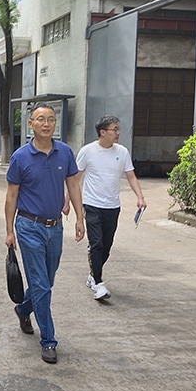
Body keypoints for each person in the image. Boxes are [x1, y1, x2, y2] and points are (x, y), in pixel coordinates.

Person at [5, 103, 85, 364]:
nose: (46, 123)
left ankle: (23, 309)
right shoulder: (20, 157)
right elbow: (11, 196)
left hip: (55, 227)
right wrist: (9, 231)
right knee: (40, 284)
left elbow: (73, 186)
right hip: (29, 226)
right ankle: (48, 340)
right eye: (41, 119)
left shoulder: (65, 153)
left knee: (46, 282)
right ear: (31, 124)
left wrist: (80, 217)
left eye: (51, 119)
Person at [75, 115, 147, 300]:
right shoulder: (87, 151)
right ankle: (99, 283)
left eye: (118, 129)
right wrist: (68, 201)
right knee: (96, 244)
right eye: (114, 129)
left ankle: (93, 275)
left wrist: (140, 197)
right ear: (103, 132)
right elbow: (75, 179)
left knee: (106, 246)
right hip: (92, 204)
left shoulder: (122, 152)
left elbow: (131, 176)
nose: (118, 133)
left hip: (113, 206)